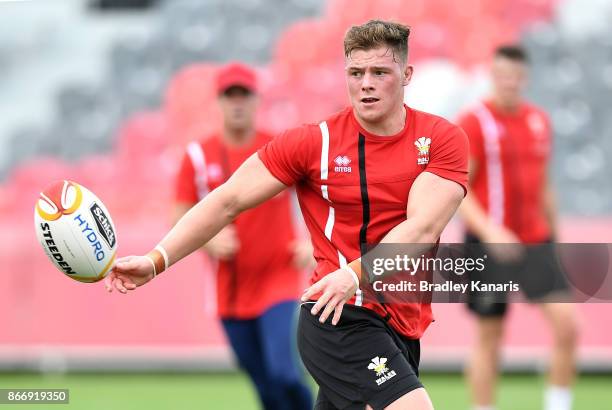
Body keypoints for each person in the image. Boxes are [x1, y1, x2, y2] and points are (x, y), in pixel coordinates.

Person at [105, 20, 468, 410]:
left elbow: (422, 228)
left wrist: (354, 273)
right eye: (356, 73)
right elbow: (226, 200)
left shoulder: (442, 139)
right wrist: (155, 260)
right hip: (337, 315)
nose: (366, 83)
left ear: (406, 75)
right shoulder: (312, 143)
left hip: (402, 320)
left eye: (380, 72)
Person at [172, 62, 313, 410]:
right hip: (229, 289)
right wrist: (208, 240)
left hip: (278, 278)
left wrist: (312, 241)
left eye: (244, 95)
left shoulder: (278, 146)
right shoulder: (197, 156)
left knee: (285, 373)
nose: (237, 103)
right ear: (218, 102)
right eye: (229, 95)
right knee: (264, 383)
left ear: (256, 100)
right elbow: (180, 211)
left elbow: (317, 194)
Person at [456, 45, 578, 410]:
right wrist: (491, 231)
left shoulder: (539, 120)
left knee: (568, 327)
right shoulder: (473, 121)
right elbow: (460, 190)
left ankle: (558, 405)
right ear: (492, 76)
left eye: (515, 76)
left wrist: (555, 236)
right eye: (501, 75)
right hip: (488, 245)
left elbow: (544, 185)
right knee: (490, 337)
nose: (508, 83)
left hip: (536, 241)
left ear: (524, 78)